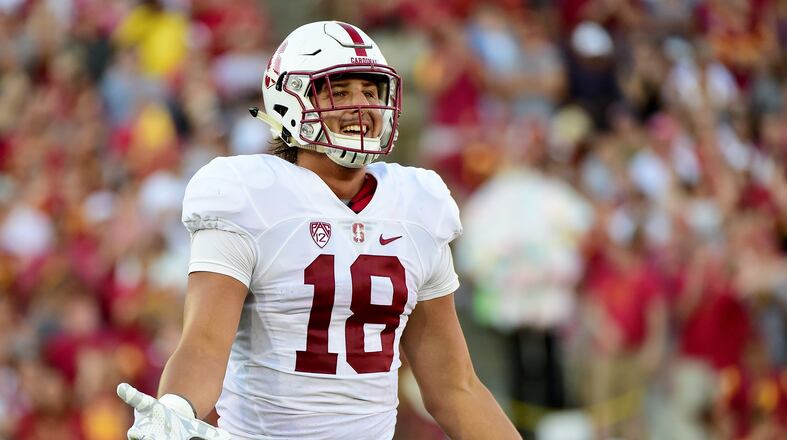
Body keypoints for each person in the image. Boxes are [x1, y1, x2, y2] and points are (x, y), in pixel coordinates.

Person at [117, 21, 520, 440]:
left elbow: (455, 388)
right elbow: (203, 343)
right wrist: (176, 409)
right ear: (289, 99)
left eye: (370, 91)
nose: (360, 106)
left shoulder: (418, 204)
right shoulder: (249, 195)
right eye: (339, 91)